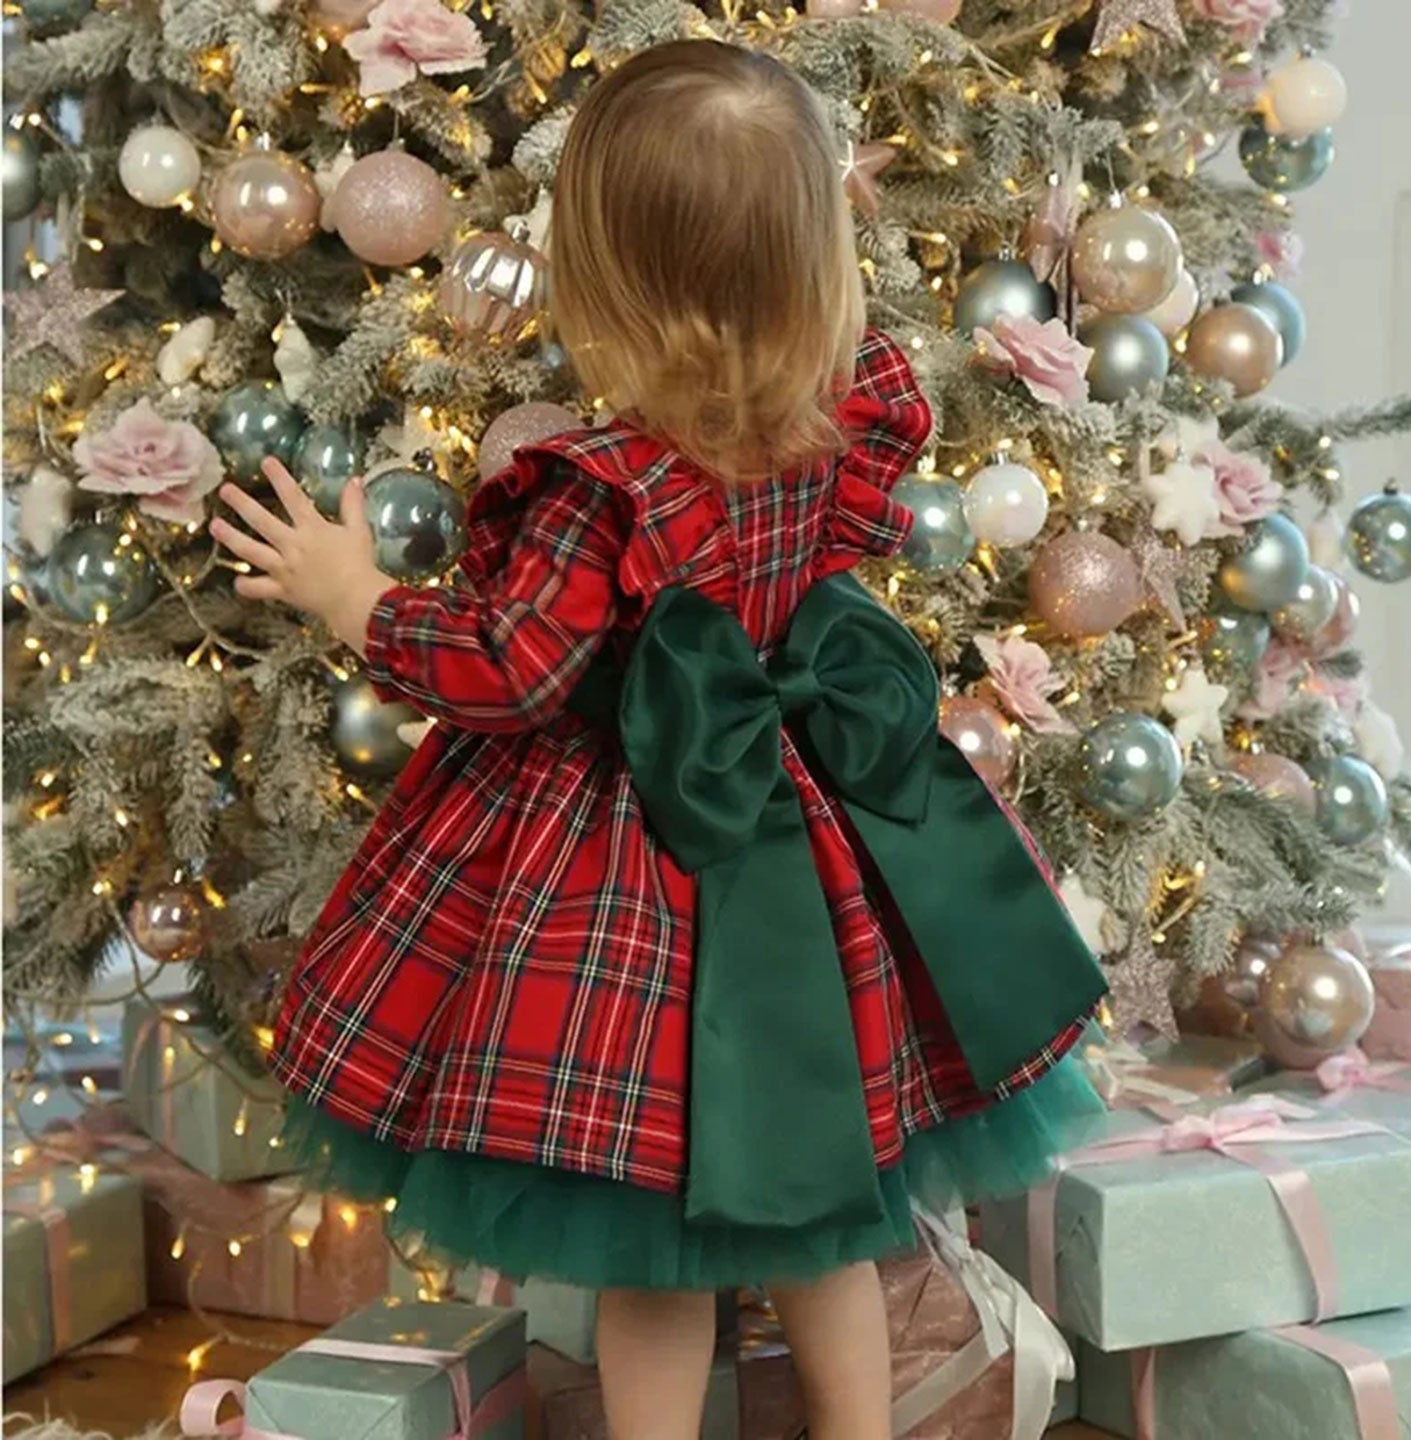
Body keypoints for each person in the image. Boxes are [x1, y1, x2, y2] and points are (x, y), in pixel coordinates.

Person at [211, 39, 1106, 1440]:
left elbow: (512, 667)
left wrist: (355, 598)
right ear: (814, 248)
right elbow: (831, 547)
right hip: (806, 826)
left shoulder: (606, 485)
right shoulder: (851, 402)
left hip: (629, 855)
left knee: (652, 1244)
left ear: (606, 273)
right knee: (830, 1217)